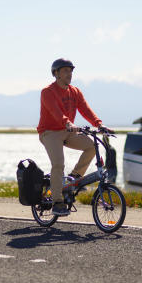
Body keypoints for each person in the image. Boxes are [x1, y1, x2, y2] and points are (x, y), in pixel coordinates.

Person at [37, 58, 103, 216]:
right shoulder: (47, 92)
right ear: (56, 73)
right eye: (65, 71)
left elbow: (85, 109)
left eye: (71, 71)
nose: (69, 74)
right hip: (49, 132)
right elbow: (56, 112)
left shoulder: (75, 91)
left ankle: (74, 178)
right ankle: (57, 202)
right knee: (58, 164)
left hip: (67, 130)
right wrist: (68, 123)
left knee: (92, 146)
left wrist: (99, 124)